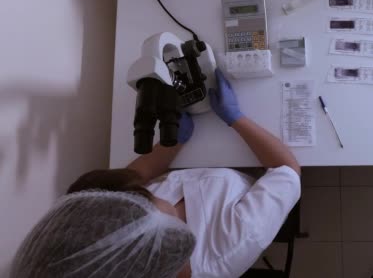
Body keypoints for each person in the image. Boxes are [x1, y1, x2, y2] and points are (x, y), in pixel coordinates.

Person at [11, 68, 302, 278]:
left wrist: (172, 142)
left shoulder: (120, 224)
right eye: (144, 200)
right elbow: (287, 169)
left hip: (206, 160)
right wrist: (235, 118)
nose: (144, 193)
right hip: (250, 178)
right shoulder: (229, 245)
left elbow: (134, 176)